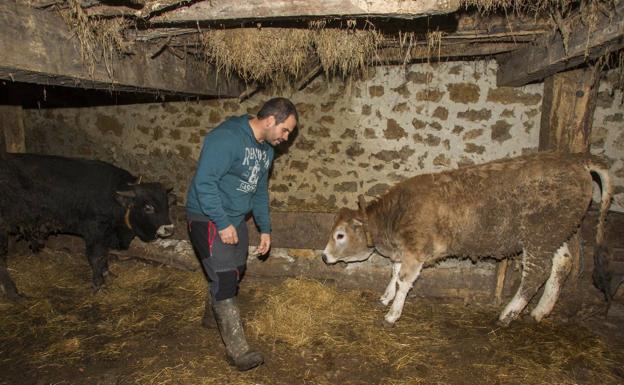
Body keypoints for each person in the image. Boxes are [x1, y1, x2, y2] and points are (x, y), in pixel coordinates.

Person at [186, 97, 298, 371]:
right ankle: (238, 351)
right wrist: (222, 223)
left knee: (235, 269)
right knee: (224, 276)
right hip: (207, 216)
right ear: (271, 120)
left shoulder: (266, 151)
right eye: (285, 130)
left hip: (234, 218)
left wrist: (265, 229)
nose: (285, 138)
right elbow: (204, 183)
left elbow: (259, 192)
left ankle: (213, 316)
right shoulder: (226, 138)